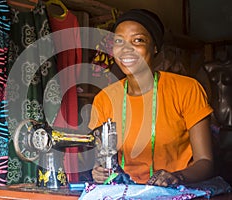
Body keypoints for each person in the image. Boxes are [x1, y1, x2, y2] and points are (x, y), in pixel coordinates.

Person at [89, 9, 214, 187]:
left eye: (138, 40)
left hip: (179, 190)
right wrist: (99, 172)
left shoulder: (187, 89)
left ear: (154, 47)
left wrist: (177, 177)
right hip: (126, 191)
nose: (126, 49)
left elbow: (206, 162)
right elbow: (101, 160)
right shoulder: (104, 99)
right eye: (119, 41)